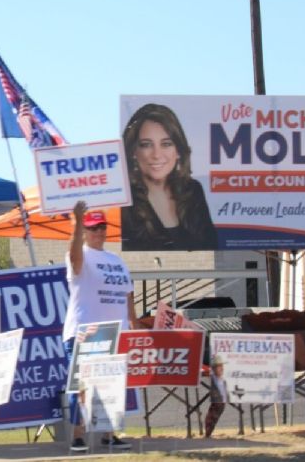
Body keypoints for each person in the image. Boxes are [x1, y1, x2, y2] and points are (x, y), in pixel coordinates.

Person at [63, 200, 136, 452]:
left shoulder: (116, 260)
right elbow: (74, 260)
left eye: (102, 227)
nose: (99, 232)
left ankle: (109, 434)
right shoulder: (80, 254)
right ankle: (78, 435)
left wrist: (133, 325)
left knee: (110, 386)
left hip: (114, 332)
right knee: (81, 385)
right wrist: (76, 224)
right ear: (84, 231)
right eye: (93, 228)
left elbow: (128, 294)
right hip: (84, 331)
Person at [121, 103, 217, 251]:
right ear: (134, 152)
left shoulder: (192, 191)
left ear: (178, 150)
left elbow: (212, 246)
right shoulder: (125, 202)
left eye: (166, 144)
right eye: (146, 145)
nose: (157, 155)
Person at [204, 354, 228, 438]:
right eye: (219, 366)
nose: (221, 368)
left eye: (222, 366)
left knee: (216, 414)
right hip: (217, 400)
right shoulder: (212, 376)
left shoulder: (224, 380)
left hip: (222, 401)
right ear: (214, 368)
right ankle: (208, 433)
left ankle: (208, 432)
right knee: (212, 415)